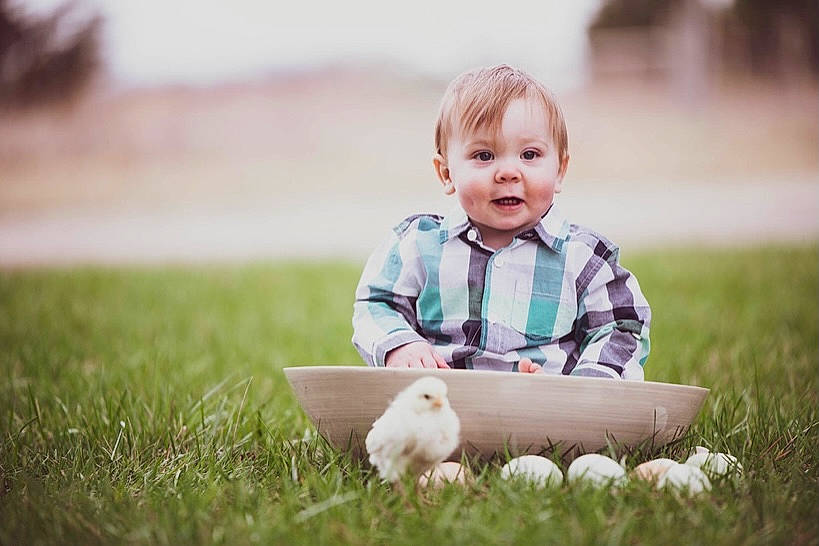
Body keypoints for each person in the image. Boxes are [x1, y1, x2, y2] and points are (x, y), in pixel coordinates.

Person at [352, 65, 650, 379]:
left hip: (545, 402)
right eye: (484, 156)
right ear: (447, 173)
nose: (508, 172)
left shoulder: (584, 258)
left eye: (530, 155)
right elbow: (377, 303)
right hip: (445, 398)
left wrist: (585, 385)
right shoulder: (418, 246)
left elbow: (621, 326)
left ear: (560, 170)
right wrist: (400, 344)